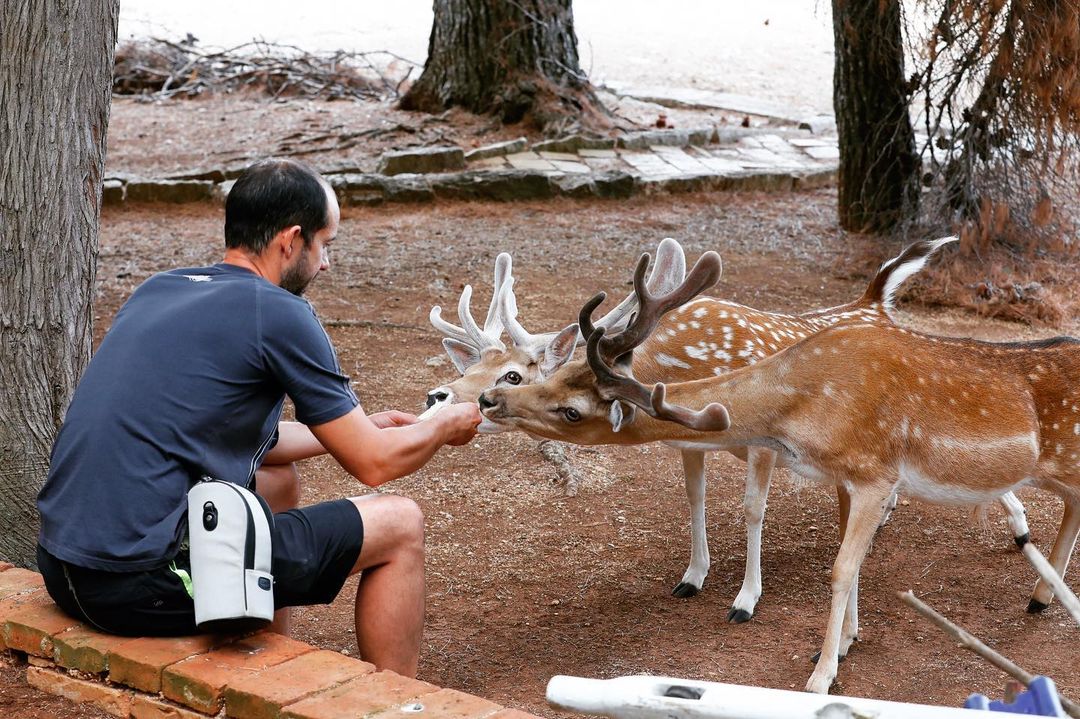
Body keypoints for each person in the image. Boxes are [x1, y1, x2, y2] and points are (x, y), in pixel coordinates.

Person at [35, 158, 481, 677]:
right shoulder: (280, 312)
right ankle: (397, 702)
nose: (326, 263)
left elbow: (227, 435)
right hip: (139, 584)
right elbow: (375, 466)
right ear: (291, 241)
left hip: (64, 568)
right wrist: (442, 425)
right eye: (325, 243)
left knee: (272, 480)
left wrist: (360, 426)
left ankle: (266, 667)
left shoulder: (162, 288)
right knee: (401, 523)